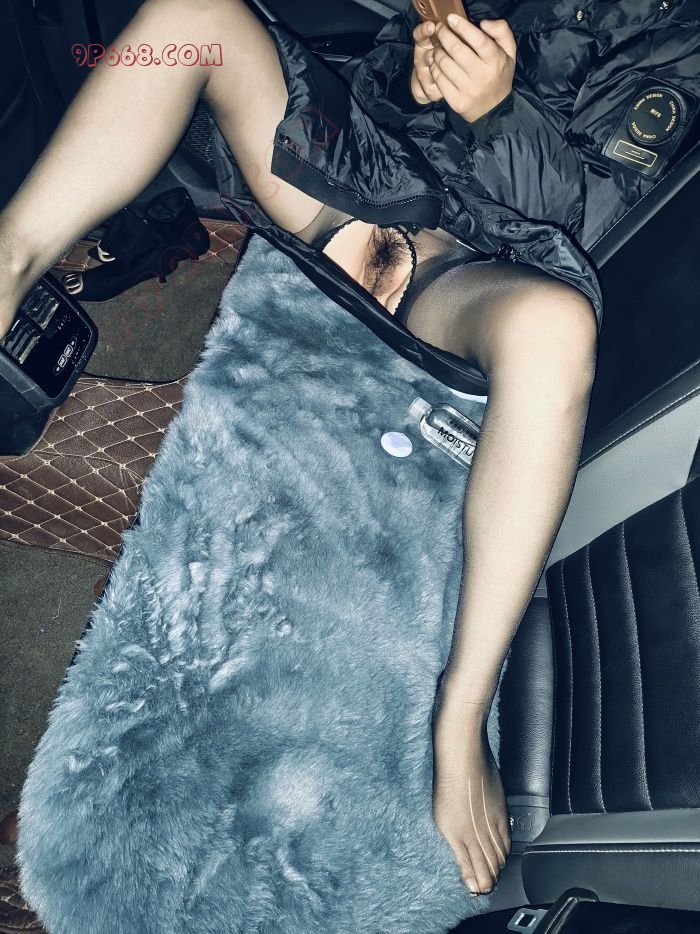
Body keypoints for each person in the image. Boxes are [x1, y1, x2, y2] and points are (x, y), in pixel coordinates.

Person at [0, 0, 625, 900]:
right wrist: (420, 69)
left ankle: (458, 714)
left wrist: (499, 111)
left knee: (554, 328)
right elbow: (379, 56)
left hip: (478, 265)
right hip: (369, 181)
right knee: (195, 13)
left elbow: (599, 215)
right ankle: (11, 262)